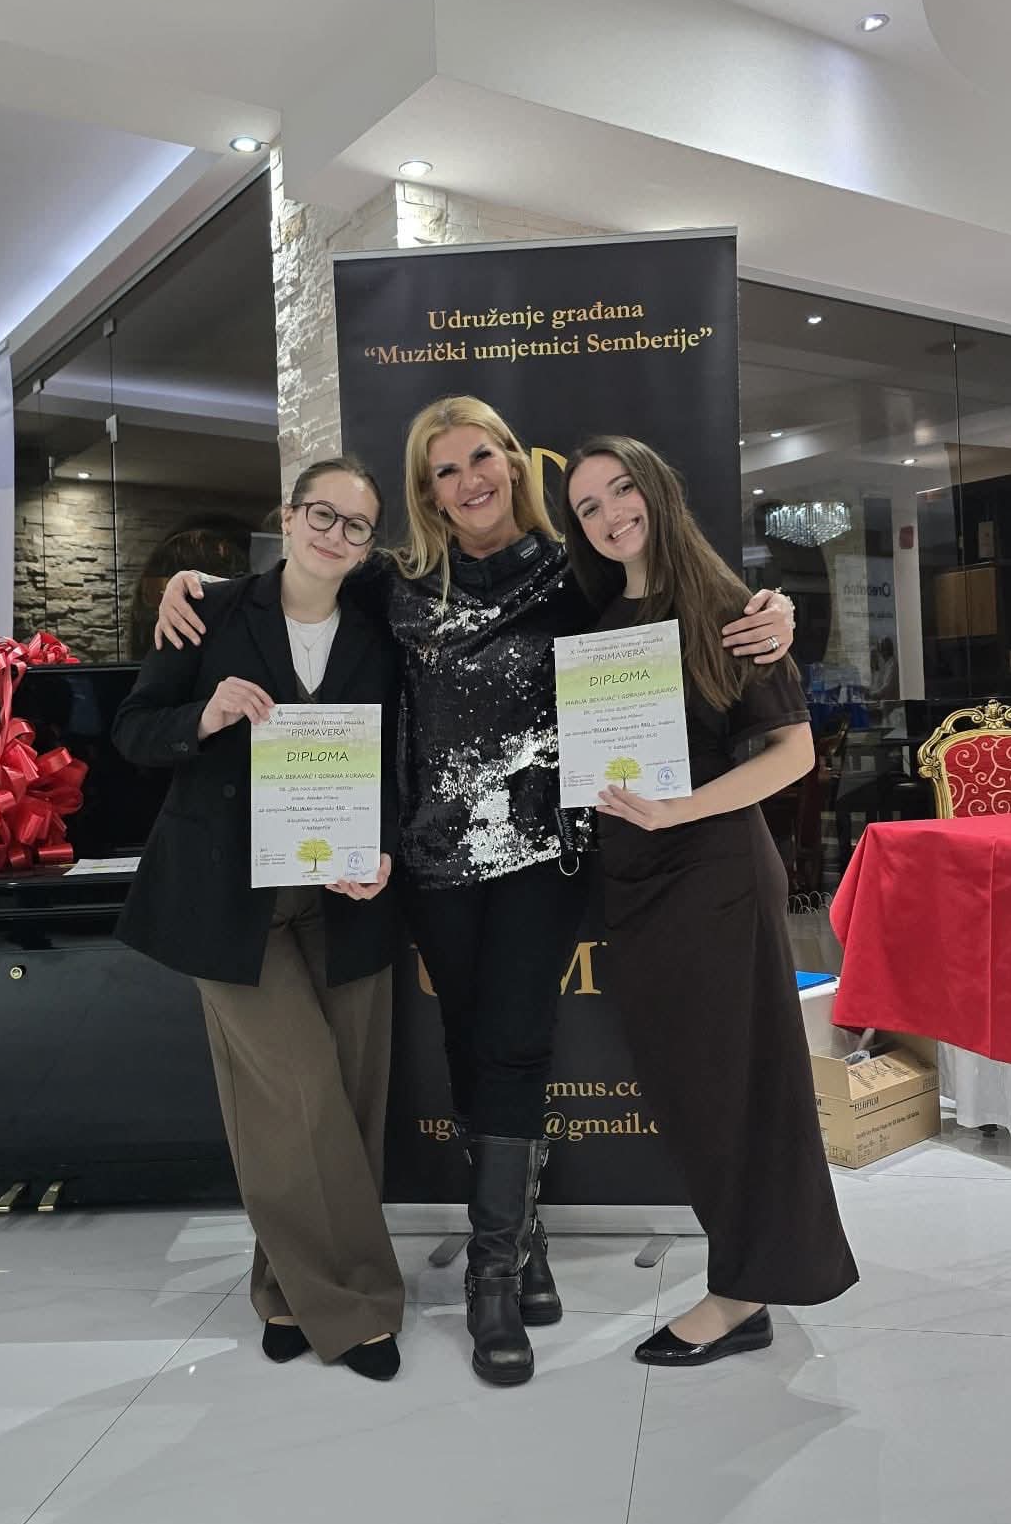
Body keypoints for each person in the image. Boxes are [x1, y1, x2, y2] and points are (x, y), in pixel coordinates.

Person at [156, 397, 797, 1387]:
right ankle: (523, 1242)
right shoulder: (396, 581)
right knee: (464, 1044)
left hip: (547, 858)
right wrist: (194, 585)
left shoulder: (573, 572)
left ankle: (493, 1279)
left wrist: (776, 610)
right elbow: (299, 581)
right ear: (428, 491)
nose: (469, 480)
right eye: (444, 469)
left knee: (516, 1045)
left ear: (513, 462)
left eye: (481, 457)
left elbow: (667, 594)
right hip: (432, 864)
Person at [563, 435, 858, 1366]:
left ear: (657, 489)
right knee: (693, 1093)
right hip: (637, 881)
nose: (611, 515)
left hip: (714, 875)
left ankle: (741, 1294)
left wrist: (679, 809)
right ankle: (750, 1273)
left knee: (741, 1090)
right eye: (588, 507)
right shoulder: (601, 621)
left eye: (621, 491)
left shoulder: (732, 611)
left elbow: (792, 755)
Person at [113, 458, 405, 1381]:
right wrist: (203, 715)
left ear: (370, 545)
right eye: (322, 514)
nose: (335, 535)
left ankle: (283, 1290)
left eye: (356, 526)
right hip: (225, 900)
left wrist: (385, 849)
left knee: (348, 1099)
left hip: (346, 896)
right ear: (289, 513)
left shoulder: (382, 627)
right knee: (296, 1096)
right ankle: (357, 1308)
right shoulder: (207, 608)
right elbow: (133, 730)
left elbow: (402, 756)